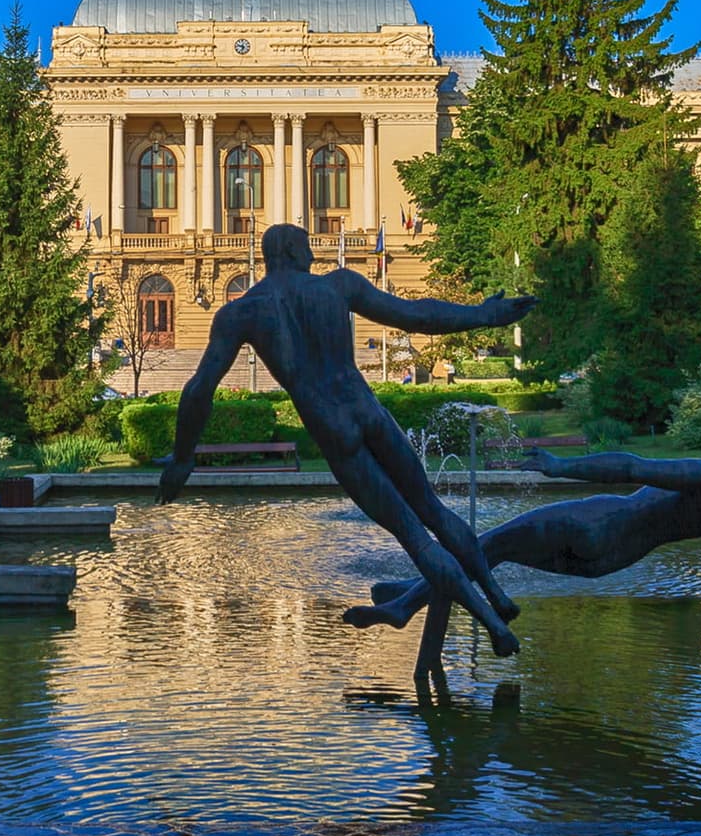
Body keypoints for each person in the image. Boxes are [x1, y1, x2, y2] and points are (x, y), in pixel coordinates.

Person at [158, 223, 536, 656]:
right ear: (289, 250)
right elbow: (418, 315)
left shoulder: (242, 313)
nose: (313, 256)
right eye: (306, 247)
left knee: (413, 535)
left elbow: (200, 387)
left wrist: (183, 458)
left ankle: (495, 626)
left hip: (332, 425)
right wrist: (484, 315)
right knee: (432, 508)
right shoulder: (338, 287)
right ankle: (497, 595)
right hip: (368, 408)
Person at [345, 426, 701, 683]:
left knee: (481, 547)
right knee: (480, 556)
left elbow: (628, 467)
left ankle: (407, 605)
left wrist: (561, 467)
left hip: (600, 523)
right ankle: (413, 609)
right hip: (609, 560)